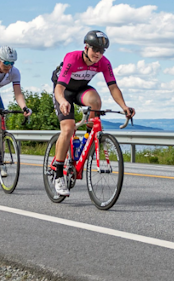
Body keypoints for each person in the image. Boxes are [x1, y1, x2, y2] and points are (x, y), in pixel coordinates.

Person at [49, 30, 135, 197]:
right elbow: (59, 88)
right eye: (95, 49)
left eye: (102, 51)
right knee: (68, 129)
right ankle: (59, 174)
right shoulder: (72, 58)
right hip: (64, 91)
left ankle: (89, 140)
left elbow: (113, 87)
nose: (98, 54)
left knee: (96, 100)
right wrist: (63, 101)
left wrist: (124, 106)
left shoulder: (104, 62)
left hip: (81, 90)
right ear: (86, 47)